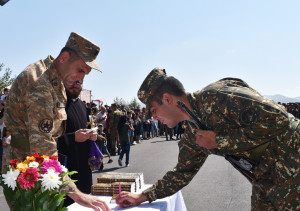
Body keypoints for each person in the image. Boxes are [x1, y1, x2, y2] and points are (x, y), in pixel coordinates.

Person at [116, 67, 299, 210]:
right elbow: (182, 172)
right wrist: (143, 196)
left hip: (292, 162)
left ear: (167, 99)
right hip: (265, 176)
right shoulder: (191, 133)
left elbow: (279, 120)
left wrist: (219, 141)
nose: (153, 118)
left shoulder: (217, 96)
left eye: (154, 110)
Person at [4, 32, 110, 211]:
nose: (81, 78)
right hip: (27, 171)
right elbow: (43, 148)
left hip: (42, 168)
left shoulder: (56, 80)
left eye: (86, 73)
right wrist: (77, 193)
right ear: (64, 57)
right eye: (80, 70)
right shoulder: (40, 84)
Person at [56, 79, 99, 207]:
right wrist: (72, 137)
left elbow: (86, 127)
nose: (75, 85)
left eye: (79, 83)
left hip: (84, 168)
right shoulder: (57, 104)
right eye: (72, 82)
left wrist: (93, 135)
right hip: (66, 168)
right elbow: (48, 139)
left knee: (86, 202)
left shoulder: (81, 105)